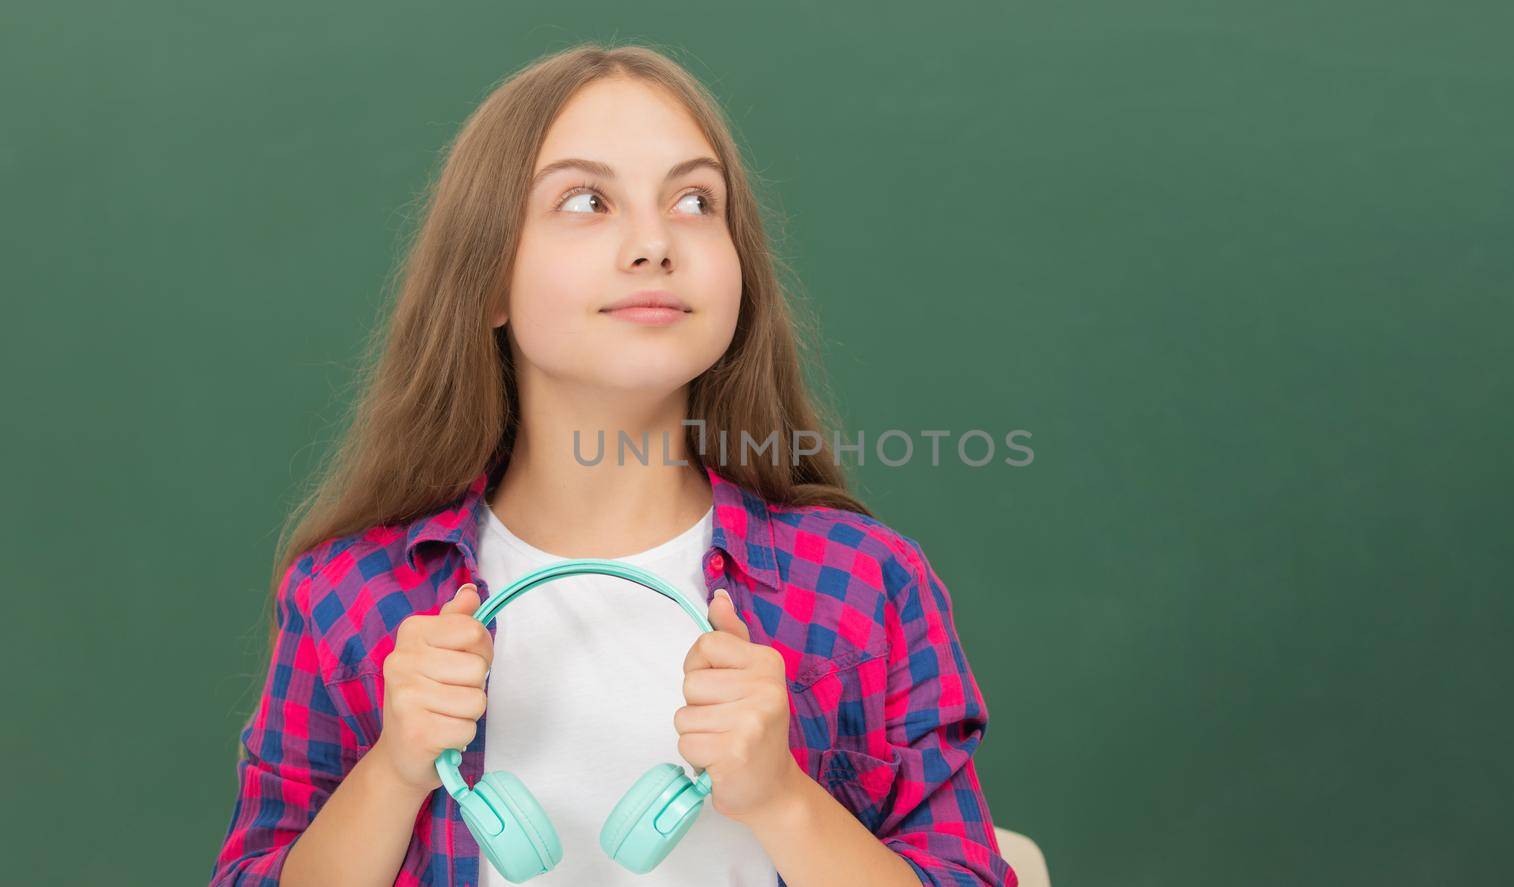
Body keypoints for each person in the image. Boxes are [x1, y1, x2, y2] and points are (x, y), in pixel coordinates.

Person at [209, 42, 1017, 887]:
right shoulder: (348, 597)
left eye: (696, 200)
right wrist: (392, 769)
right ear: (487, 283)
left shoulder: (866, 587)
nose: (654, 242)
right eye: (587, 199)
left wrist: (784, 798)